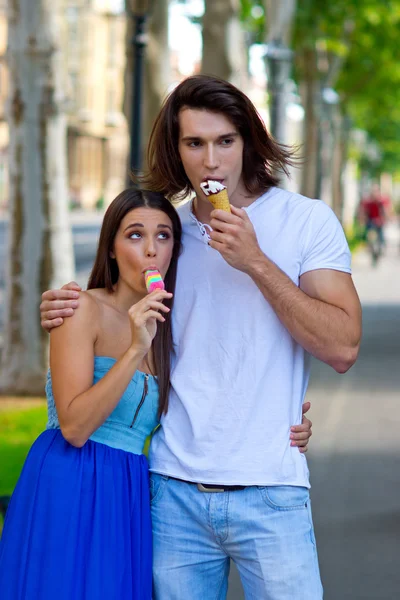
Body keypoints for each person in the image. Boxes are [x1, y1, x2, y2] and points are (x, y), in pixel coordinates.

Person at [39, 75, 361, 599]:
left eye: (224, 142)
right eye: (194, 143)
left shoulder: (306, 222)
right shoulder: (167, 234)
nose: (211, 161)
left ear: (248, 142)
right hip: (172, 491)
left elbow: (344, 347)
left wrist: (255, 261)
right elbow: (113, 309)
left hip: (272, 489)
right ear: (178, 150)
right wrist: (60, 305)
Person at [0, 189, 182, 600]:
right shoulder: (81, 310)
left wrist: (291, 420)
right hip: (70, 480)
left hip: (128, 490)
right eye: (135, 236)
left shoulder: (172, 325)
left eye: (164, 236)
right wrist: (135, 347)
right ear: (112, 249)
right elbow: (75, 426)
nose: (151, 250)